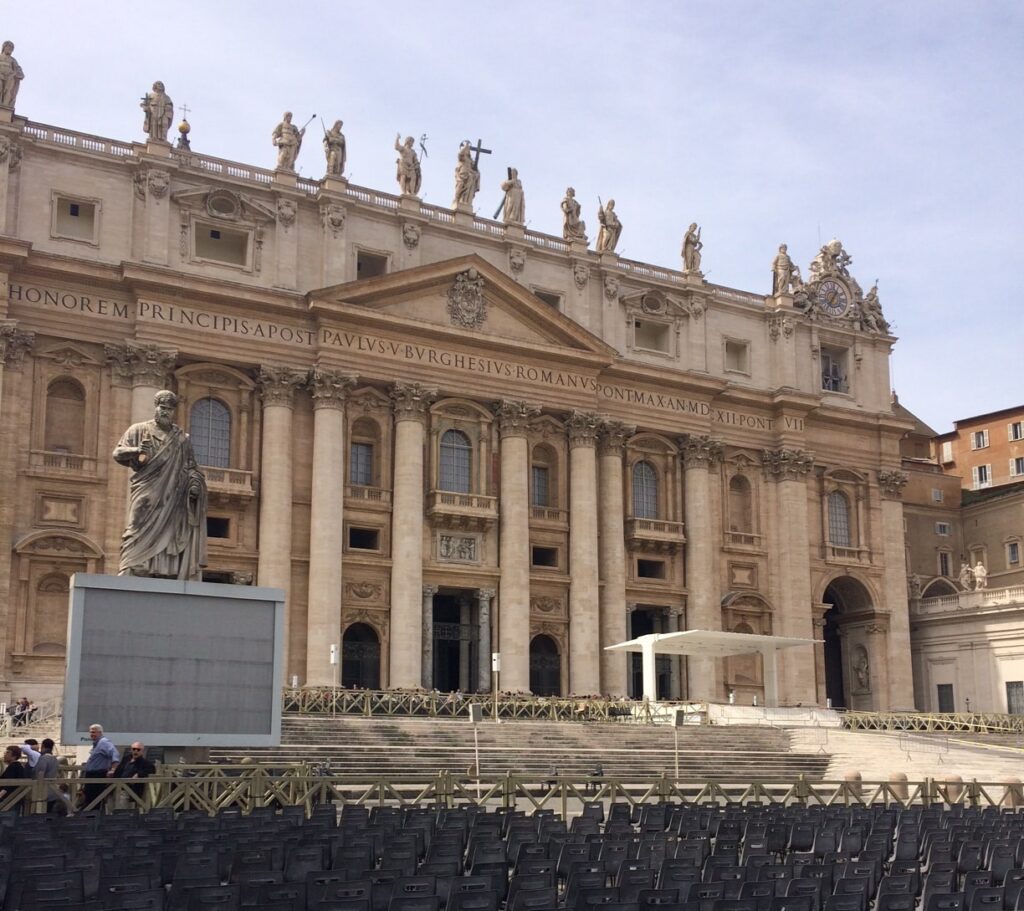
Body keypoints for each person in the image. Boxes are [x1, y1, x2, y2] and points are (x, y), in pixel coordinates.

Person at [113, 389, 208, 580]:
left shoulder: (182, 439)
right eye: (162, 408)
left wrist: (195, 483)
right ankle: (131, 563)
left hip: (174, 492)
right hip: (147, 487)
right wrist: (136, 450)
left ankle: (165, 569)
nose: (165, 412)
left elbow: (191, 466)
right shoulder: (139, 430)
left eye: (169, 409)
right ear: (155, 408)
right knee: (137, 523)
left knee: (171, 529)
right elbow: (117, 453)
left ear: (174, 411)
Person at [80, 723, 119, 809]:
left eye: (94, 732)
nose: (91, 734)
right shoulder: (96, 744)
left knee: (95, 800)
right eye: (91, 732)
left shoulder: (104, 742)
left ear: (100, 733)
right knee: (89, 799)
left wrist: (113, 769)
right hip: (91, 775)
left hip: (98, 775)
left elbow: (114, 753)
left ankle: (94, 818)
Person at [32, 738, 63, 815]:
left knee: (40, 813)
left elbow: (39, 773)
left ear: (43, 746)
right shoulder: (55, 759)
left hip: (42, 791)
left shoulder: (43, 759)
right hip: (53, 789)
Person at [453, 141, 480, 207]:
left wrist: (476, 174)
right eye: (466, 149)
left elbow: (476, 170)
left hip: (469, 176)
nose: (467, 150)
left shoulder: (471, 161)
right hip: (462, 176)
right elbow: (460, 154)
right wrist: (466, 146)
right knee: (460, 185)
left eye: (468, 149)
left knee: (469, 189)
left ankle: (465, 202)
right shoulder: (462, 158)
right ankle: (456, 199)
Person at [0, 41, 24, 109]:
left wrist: (16, 74)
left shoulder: (13, 60)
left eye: (11, 48)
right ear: (4, 47)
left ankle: (5, 107)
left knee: (8, 92)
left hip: (9, 78)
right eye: (9, 47)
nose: (10, 49)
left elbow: (18, 69)